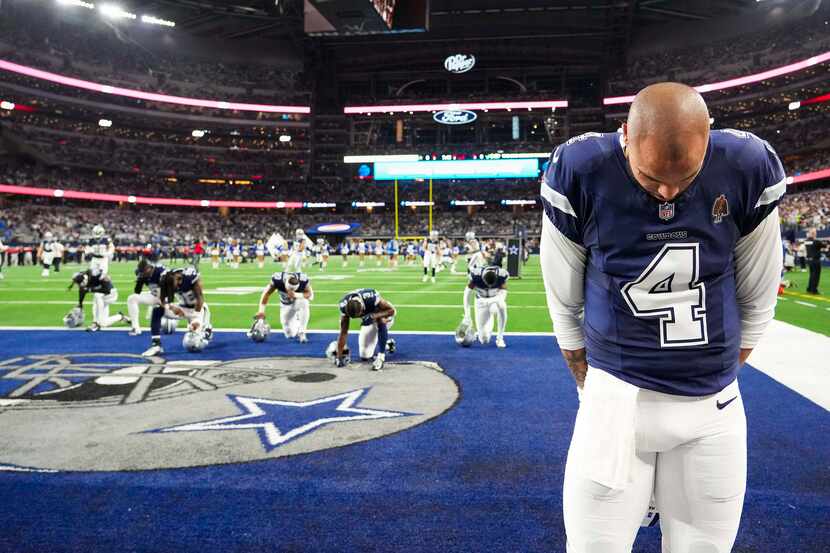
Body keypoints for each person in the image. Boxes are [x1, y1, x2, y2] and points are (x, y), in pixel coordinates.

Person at [540, 83, 784, 552]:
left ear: (709, 140)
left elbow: (757, 300)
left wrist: (712, 378)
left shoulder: (745, 166)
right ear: (625, 136)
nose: (668, 193)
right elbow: (563, 304)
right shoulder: (583, 169)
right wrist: (590, 388)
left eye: (685, 176)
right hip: (614, 402)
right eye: (652, 179)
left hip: (712, 411)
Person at [142, 267, 212, 356]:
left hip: (197, 310)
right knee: (157, 309)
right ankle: (156, 345)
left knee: (192, 346)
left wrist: (196, 320)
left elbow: (200, 299)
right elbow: (160, 299)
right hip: (181, 308)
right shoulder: (166, 278)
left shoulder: (190, 278)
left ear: (178, 279)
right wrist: (171, 307)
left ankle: (206, 331)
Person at [335, 289, 396, 371]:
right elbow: (344, 332)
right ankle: (388, 344)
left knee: (381, 320)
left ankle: (381, 357)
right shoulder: (344, 305)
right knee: (365, 355)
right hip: (369, 320)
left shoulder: (371, 298)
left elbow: (391, 311)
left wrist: (373, 316)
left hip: (385, 314)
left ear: (362, 308)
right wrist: (339, 356)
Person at [254, 271, 313, 342]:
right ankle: (297, 321)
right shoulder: (277, 280)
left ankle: (302, 332)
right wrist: (261, 311)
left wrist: (296, 295)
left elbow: (311, 295)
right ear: (285, 283)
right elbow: (266, 294)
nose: (290, 291)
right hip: (285, 306)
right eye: (289, 289)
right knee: (290, 334)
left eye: (293, 289)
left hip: (297, 303)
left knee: (304, 302)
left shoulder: (303, 279)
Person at [463, 265, 508, 347]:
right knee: (484, 339)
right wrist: (467, 315)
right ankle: (489, 318)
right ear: (482, 278)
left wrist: (495, 301)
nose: (489, 287)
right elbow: (467, 295)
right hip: (481, 302)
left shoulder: (501, 275)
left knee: (502, 305)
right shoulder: (476, 276)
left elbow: (503, 293)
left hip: (495, 299)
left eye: (492, 285)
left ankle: (500, 338)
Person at [127, 258, 167, 336]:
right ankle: (135, 328)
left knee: (169, 318)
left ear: (150, 268)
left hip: (166, 296)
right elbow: (137, 292)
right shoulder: (143, 275)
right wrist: (139, 280)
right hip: (154, 295)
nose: (143, 273)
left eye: (144, 271)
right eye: (141, 271)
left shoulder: (160, 271)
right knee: (132, 298)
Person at [805, 228, 825, 294]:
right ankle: (814, 289)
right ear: (814, 233)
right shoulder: (816, 241)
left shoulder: (806, 241)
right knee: (816, 275)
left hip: (809, 261)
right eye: (815, 232)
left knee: (812, 275)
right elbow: (824, 245)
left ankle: (809, 288)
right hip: (815, 260)